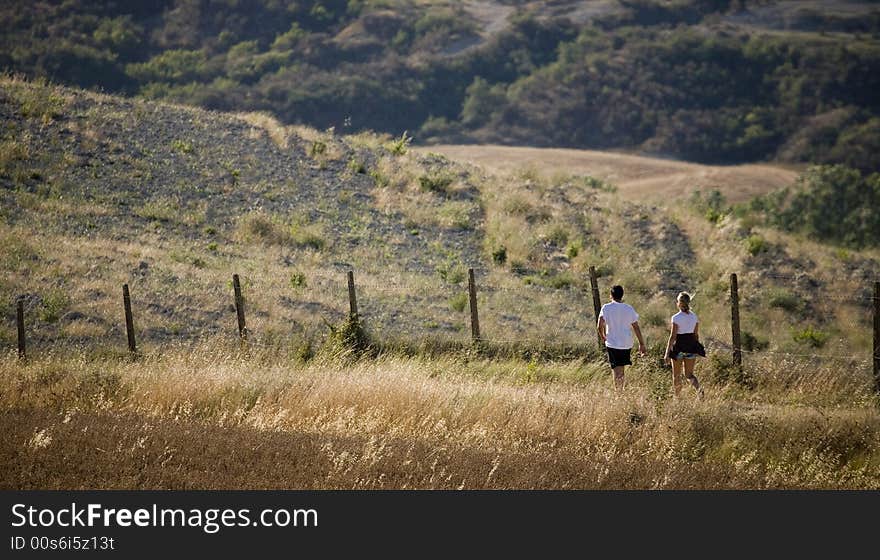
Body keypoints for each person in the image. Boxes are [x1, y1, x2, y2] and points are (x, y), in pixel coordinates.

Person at [597, 285, 646, 390]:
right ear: (622, 295)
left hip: (612, 342)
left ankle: (618, 392)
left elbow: (599, 325)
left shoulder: (606, 308)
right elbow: (636, 327)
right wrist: (641, 343)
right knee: (621, 369)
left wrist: (603, 336)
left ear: (611, 295)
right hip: (626, 343)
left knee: (616, 369)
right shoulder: (629, 308)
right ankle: (620, 390)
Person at [663, 292, 706, 397]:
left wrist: (667, 353)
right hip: (691, 347)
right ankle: (699, 389)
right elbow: (696, 335)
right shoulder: (694, 317)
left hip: (679, 348)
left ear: (678, 303)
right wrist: (696, 347)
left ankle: (677, 398)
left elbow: (673, 336)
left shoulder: (676, 318)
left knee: (676, 376)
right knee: (689, 375)